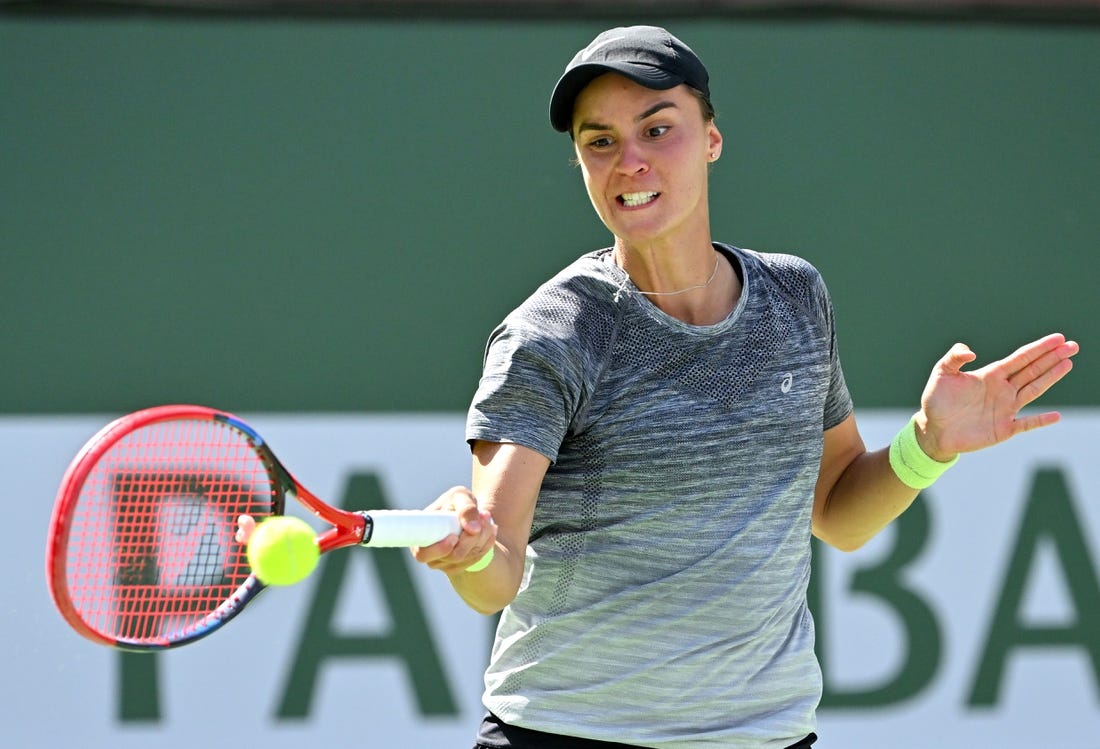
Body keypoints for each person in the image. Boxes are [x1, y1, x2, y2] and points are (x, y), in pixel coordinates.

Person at [411, 26, 1079, 749]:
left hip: (766, 736)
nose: (629, 161)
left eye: (657, 128)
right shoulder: (552, 332)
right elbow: (496, 572)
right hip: (568, 734)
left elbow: (837, 512)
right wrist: (470, 545)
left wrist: (930, 444)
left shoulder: (795, 297)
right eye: (599, 141)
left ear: (711, 140)